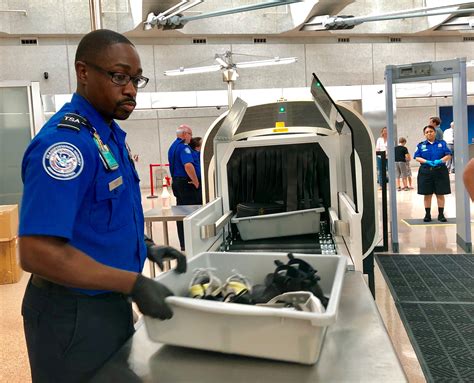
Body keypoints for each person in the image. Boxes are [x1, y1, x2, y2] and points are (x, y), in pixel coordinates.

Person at [18, 29, 187, 383]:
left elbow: (100, 218)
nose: (131, 89)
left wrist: (145, 245)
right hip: (71, 315)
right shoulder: (66, 146)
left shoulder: (107, 136)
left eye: (136, 80)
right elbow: (37, 252)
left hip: (110, 303)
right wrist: (134, 283)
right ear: (83, 73)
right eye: (119, 76)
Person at [168, 124, 201, 251]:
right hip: (186, 185)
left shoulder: (172, 147)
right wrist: (196, 181)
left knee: (181, 213)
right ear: (184, 134)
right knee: (191, 212)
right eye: (190, 134)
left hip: (178, 183)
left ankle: (184, 242)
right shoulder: (184, 148)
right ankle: (192, 242)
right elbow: (188, 165)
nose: (191, 137)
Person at [413, 125, 452, 222]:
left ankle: (441, 215)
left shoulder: (442, 143)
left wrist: (440, 160)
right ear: (424, 134)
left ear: (435, 132)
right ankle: (427, 214)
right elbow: (417, 157)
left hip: (440, 171)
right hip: (426, 172)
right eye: (427, 132)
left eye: (431, 131)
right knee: (427, 194)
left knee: (440, 193)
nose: (429, 133)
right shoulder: (421, 145)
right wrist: (426, 161)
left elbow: (448, 155)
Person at [189, 136, 203, 204]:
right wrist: (196, 181)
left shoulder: (197, 154)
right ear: (197, 147)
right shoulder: (196, 154)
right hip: (197, 181)